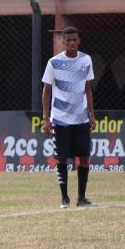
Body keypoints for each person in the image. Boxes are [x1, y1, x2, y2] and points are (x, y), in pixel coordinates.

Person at [41, 26, 96, 209]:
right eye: (68, 40)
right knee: (62, 158)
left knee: (85, 157)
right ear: (63, 42)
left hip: (81, 118)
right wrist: (46, 118)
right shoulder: (54, 63)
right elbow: (46, 90)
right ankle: (65, 198)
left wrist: (91, 114)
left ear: (79, 41)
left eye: (74, 40)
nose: (71, 43)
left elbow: (87, 88)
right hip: (61, 119)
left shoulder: (86, 60)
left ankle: (82, 197)